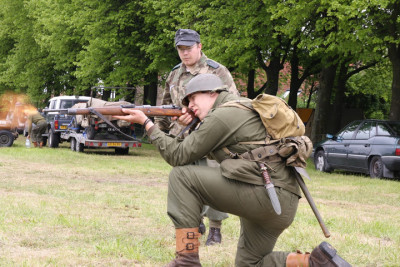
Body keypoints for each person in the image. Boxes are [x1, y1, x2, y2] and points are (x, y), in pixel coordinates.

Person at [114, 74, 351, 267]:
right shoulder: (241, 108)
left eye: (193, 98)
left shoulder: (224, 115)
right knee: (251, 264)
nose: (190, 106)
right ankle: (315, 262)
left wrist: (147, 124)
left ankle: (186, 260)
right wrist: (192, 124)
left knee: (182, 177)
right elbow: (191, 148)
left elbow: (179, 156)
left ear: (212, 93)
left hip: (265, 195)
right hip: (281, 201)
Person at [155, 28, 239, 245]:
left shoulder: (217, 72)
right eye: (180, 49)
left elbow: (233, 104)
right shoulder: (174, 74)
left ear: (199, 46)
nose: (184, 53)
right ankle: (194, 223)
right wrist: (160, 132)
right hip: (183, 137)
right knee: (185, 179)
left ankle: (216, 230)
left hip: (212, 136)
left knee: (215, 182)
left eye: (188, 48)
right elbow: (166, 105)